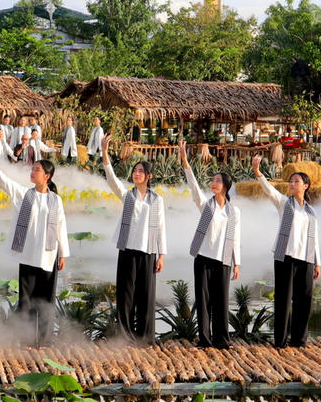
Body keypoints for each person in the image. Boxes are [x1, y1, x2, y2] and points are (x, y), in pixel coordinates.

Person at [0, 141, 70, 345]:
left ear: (47, 176)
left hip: (48, 254)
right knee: (27, 299)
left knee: (46, 299)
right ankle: (27, 340)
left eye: (37, 170)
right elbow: (2, 181)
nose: (33, 172)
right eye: (33, 169)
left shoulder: (56, 201)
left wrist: (63, 253)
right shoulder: (24, 194)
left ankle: (44, 340)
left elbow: (61, 227)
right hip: (28, 254)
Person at [102, 136, 166, 344]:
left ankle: (145, 336)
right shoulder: (127, 195)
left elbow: (161, 227)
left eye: (140, 171)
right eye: (134, 171)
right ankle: (125, 336)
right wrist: (104, 152)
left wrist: (161, 255)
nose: (136, 174)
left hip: (148, 251)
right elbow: (112, 180)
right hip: (128, 249)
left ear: (149, 176)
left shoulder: (157, 200)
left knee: (146, 295)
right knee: (126, 294)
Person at [252, 154, 320, 348]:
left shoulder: (311, 211)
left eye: (296, 181)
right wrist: (258, 172)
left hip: (305, 259)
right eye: (291, 181)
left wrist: (318, 263)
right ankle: (280, 340)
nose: (292, 183)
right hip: (285, 257)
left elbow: (315, 238)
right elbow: (269, 191)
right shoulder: (283, 203)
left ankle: (299, 339)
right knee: (283, 298)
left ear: (305, 186)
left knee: (304, 299)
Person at [179, 140, 240, 349]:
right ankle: (204, 340)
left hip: (223, 260)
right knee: (203, 301)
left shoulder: (234, 212)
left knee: (221, 301)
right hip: (203, 258)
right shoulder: (207, 205)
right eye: (212, 180)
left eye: (217, 181)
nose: (213, 184)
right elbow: (194, 187)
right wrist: (186, 162)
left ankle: (222, 340)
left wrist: (237, 262)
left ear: (225, 186)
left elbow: (236, 238)